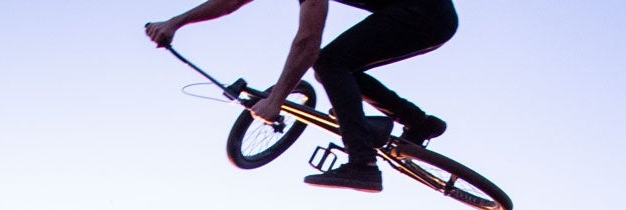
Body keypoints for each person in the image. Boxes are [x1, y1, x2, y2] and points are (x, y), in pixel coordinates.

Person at [146, 0, 458, 194]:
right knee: (337, 66)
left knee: (328, 62)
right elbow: (230, 2)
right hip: (426, 14)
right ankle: (418, 123)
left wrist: (276, 99)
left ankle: (363, 162)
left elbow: (308, 41)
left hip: (424, 13)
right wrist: (175, 22)